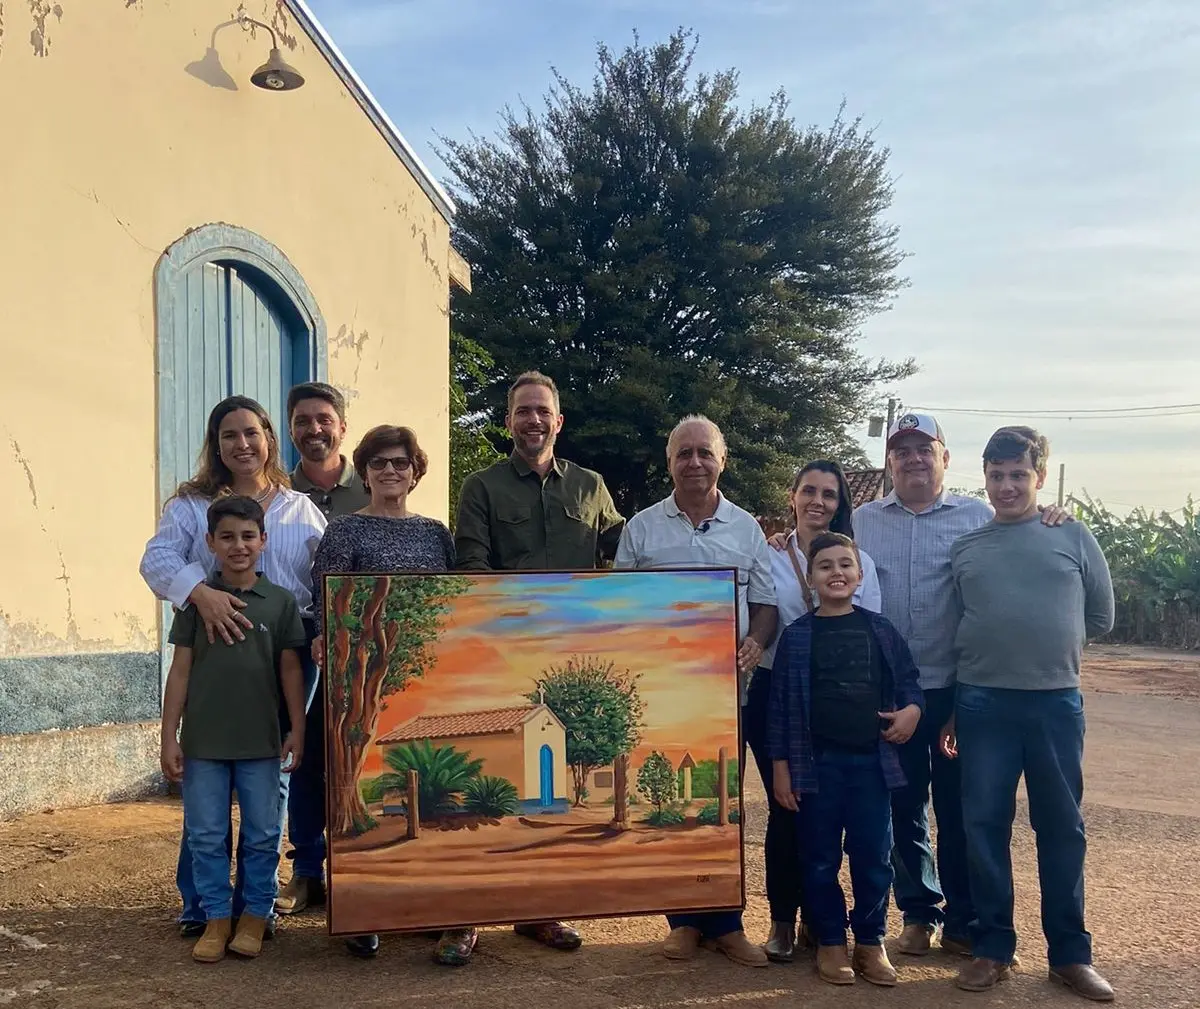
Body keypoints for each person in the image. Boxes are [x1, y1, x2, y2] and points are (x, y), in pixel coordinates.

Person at [849, 412, 1070, 958]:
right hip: (888, 694)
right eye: (902, 451)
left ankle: (965, 920)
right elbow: (825, 557)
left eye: (926, 449)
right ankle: (919, 913)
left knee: (961, 810)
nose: (914, 458)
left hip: (955, 691)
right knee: (903, 808)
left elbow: (1021, 533)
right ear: (890, 461)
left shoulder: (976, 517)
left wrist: (1053, 516)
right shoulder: (864, 520)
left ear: (945, 459)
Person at [447, 370, 625, 966]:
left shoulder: (592, 486)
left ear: (558, 421)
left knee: (547, 785)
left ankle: (539, 908)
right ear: (508, 421)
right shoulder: (482, 486)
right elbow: (468, 567)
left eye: (542, 411)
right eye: (522, 411)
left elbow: (623, 555)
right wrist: (519, 617)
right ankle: (466, 916)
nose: (533, 420)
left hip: (573, 656)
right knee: (485, 775)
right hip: (500, 653)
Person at [139, 395, 326, 939]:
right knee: (207, 781)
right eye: (228, 435)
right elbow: (156, 559)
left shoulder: (298, 509)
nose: (241, 444)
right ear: (215, 445)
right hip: (215, 655)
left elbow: (324, 579)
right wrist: (201, 594)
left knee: (272, 784)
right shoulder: (192, 506)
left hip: (285, 650)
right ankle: (202, 905)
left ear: (269, 438)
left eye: (251, 432)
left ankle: (256, 907)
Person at [945, 427, 1114, 1000]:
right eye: (997, 475)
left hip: (1054, 703)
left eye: (1019, 474)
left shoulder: (1073, 535)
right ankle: (993, 948)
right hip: (981, 702)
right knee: (983, 826)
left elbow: (1101, 616)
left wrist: (1047, 652)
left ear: (1038, 477)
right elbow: (956, 625)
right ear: (986, 478)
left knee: (1062, 829)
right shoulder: (967, 547)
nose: (1008, 485)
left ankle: (1070, 955)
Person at [615, 414, 778, 968]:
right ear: (669, 463)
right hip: (664, 691)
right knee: (675, 800)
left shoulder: (746, 528)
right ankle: (683, 922)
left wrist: (755, 642)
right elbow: (621, 606)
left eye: (704, 453)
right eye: (683, 453)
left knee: (724, 801)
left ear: (721, 461)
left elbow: (766, 602)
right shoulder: (640, 528)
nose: (694, 463)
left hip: (726, 691)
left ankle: (728, 925)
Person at [310, 424, 456, 960]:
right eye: (379, 463)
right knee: (356, 779)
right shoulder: (344, 531)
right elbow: (324, 603)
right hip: (360, 681)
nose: (390, 471)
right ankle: (360, 908)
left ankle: (427, 904)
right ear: (365, 471)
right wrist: (324, 638)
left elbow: (451, 605)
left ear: (415, 472)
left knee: (424, 785)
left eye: (400, 462)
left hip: (424, 680)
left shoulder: (437, 534)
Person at [769, 532, 923, 986]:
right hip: (815, 769)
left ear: (859, 575)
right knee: (818, 859)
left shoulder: (881, 630)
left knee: (874, 858)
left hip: (872, 768)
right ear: (811, 579)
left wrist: (913, 711)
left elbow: (911, 683)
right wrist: (781, 769)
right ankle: (832, 942)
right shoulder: (797, 637)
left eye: (845, 564)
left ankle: (871, 943)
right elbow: (779, 710)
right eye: (825, 566)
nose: (836, 572)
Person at [160, 496, 307, 962]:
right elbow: (179, 672)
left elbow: (290, 674)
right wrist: (169, 736)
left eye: (248, 536)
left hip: (261, 745)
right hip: (204, 745)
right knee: (206, 835)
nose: (238, 546)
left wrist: (297, 730)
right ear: (210, 542)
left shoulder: (281, 604)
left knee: (263, 834)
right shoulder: (197, 603)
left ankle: (254, 917)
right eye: (227, 537)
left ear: (264, 540)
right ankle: (215, 918)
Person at [748, 461, 882, 962]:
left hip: (840, 701)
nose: (818, 501)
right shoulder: (768, 556)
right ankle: (784, 920)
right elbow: (754, 616)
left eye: (829, 493)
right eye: (809, 491)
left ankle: (820, 923)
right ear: (793, 497)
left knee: (834, 816)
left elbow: (875, 633)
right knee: (787, 809)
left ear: (840, 502)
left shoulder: (857, 559)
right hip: (776, 693)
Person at [274, 382, 368, 919]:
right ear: (291, 430)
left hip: (365, 649)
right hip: (300, 643)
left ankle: (362, 873)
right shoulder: (279, 493)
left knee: (359, 752)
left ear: (341, 427)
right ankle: (307, 871)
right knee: (304, 756)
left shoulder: (374, 483)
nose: (314, 430)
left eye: (323, 419)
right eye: (303, 421)